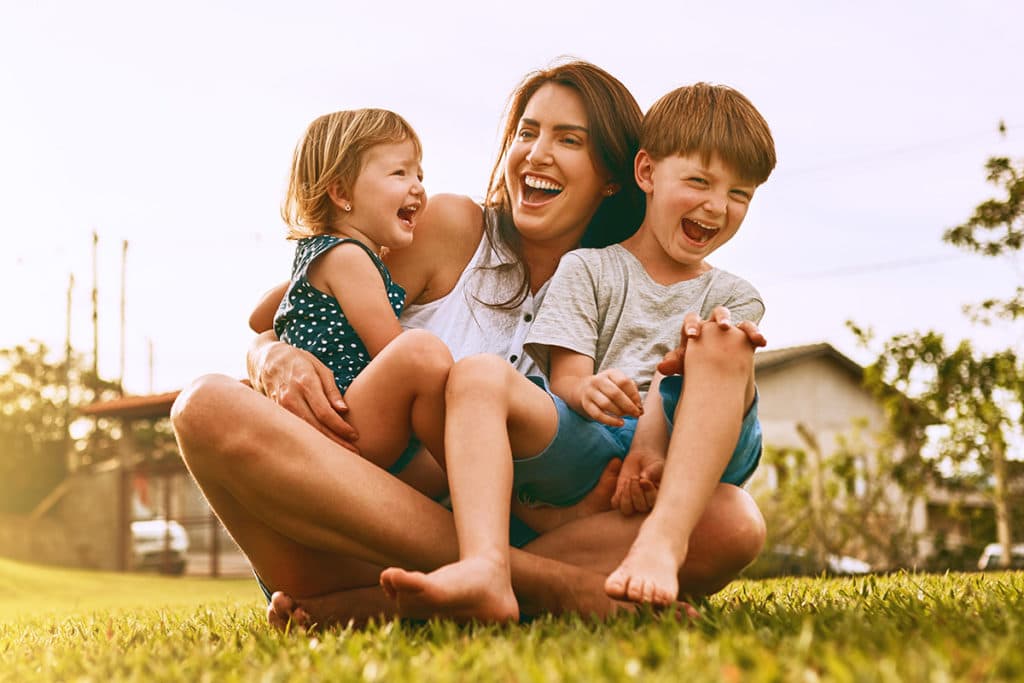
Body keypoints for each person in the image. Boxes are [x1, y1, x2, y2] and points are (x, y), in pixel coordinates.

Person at [170, 60, 766, 628]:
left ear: (615, 176)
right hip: (346, 526)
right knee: (203, 405)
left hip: (529, 536)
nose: (537, 153)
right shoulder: (450, 228)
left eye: (569, 140)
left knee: (731, 521)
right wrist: (273, 356)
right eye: (527, 132)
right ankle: (543, 586)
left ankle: (399, 599)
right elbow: (307, 298)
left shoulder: (627, 288)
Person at [378, 83, 774, 618]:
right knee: (477, 375)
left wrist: (652, 446)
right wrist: (587, 389)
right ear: (646, 174)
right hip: (600, 436)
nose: (715, 206)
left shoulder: (732, 295)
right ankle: (486, 568)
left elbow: (685, 384)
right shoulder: (588, 268)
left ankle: (662, 541)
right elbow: (565, 377)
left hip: (693, 446)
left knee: (720, 343)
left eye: (739, 195)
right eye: (699, 182)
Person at [269, 108, 450, 477]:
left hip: (339, 425)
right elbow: (391, 350)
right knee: (421, 352)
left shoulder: (317, 253)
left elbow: (262, 317)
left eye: (419, 174)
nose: (417, 186)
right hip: (347, 423)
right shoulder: (350, 258)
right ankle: (465, 463)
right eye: (399, 173)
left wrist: (278, 344)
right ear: (340, 192)